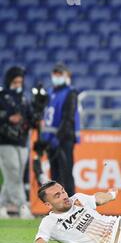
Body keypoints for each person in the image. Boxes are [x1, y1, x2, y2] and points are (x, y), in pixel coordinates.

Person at [38, 63, 80, 197]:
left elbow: (68, 118)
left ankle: (71, 204)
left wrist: (58, 138)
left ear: (66, 76)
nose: (56, 77)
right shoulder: (49, 92)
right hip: (51, 139)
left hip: (64, 139)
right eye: (55, 74)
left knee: (66, 173)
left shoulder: (70, 93)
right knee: (55, 175)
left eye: (59, 74)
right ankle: (58, 207)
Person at [0, 66, 37, 219]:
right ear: (9, 81)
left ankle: (2, 206)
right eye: (15, 81)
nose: (17, 84)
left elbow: (30, 116)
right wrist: (7, 118)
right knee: (14, 172)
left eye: (20, 81)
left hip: (22, 141)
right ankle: (23, 206)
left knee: (14, 175)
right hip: (5, 140)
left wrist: (35, 119)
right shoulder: (1, 96)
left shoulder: (24, 98)